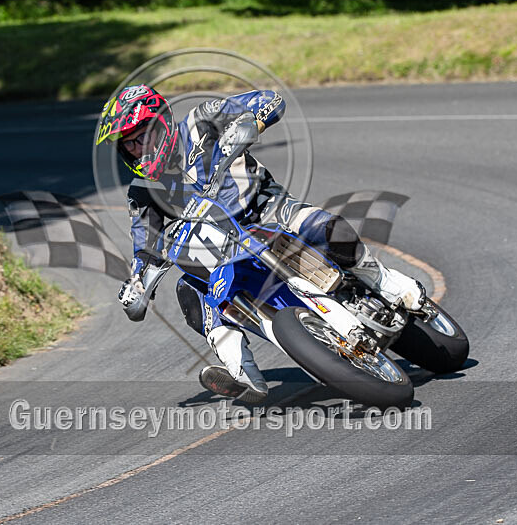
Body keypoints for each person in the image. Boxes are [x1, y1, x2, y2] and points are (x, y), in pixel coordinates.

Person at [97, 84, 425, 402]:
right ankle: (242, 372)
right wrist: (137, 284)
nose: (137, 150)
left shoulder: (201, 120)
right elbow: (144, 244)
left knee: (322, 226)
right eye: (128, 146)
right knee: (189, 288)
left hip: (266, 210)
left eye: (140, 138)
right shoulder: (142, 191)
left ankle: (384, 281)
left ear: (160, 124)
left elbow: (270, 100)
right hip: (220, 248)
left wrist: (251, 123)